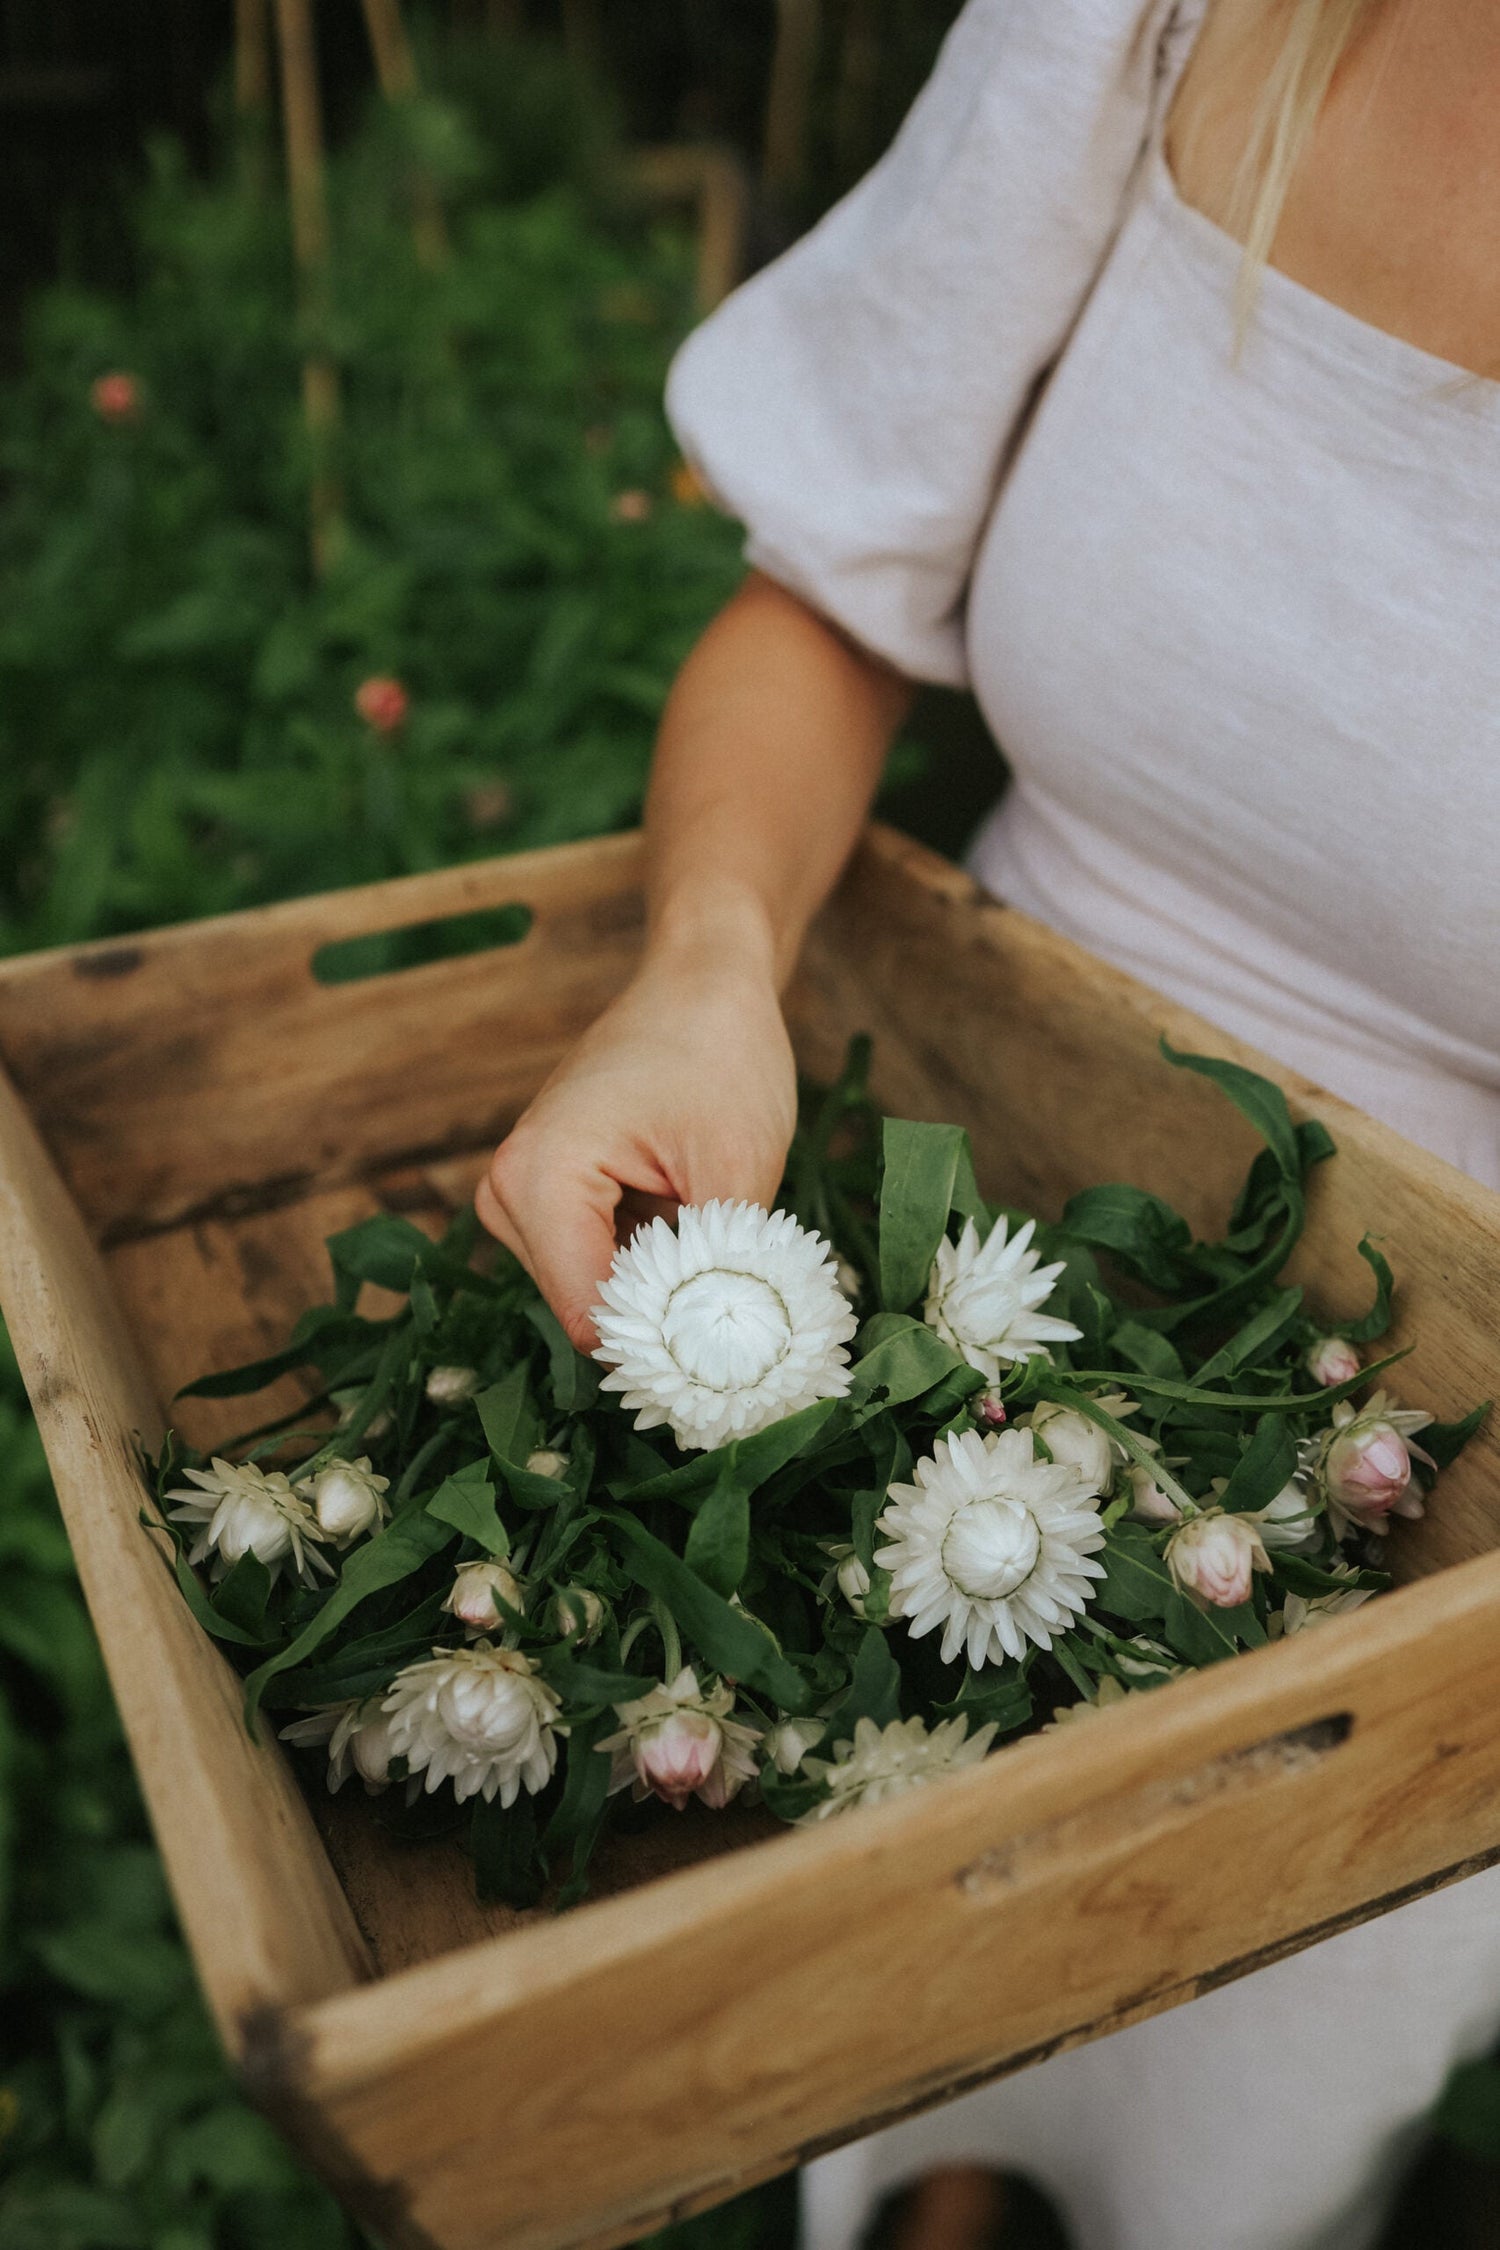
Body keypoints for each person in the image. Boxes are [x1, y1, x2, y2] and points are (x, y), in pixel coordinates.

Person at [477, 1, 1500, 2244]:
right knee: (896, 1976)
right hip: (931, 1198)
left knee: (1229, 2109)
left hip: (1431, 1476)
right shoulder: (1161, 18)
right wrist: (709, 971)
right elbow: (823, 606)